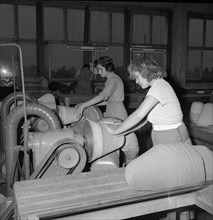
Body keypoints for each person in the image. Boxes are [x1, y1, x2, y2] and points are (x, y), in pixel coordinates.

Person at [108, 56, 191, 146]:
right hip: (165, 134)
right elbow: (144, 119)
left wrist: (115, 131)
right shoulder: (158, 86)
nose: (136, 81)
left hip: (172, 135)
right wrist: (123, 130)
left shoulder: (159, 87)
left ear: (145, 72)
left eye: (137, 76)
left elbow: (138, 115)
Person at [74, 56, 128, 120]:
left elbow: (102, 97)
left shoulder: (114, 80)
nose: (99, 72)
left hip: (117, 113)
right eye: (98, 70)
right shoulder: (110, 79)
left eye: (101, 69)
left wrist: (82, 106)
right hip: (112, 110)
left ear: (108, 68)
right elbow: (108, 101)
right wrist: (88, 105)